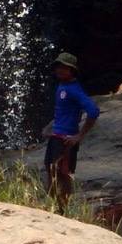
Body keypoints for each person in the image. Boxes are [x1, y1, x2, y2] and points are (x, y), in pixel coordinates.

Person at [45, 51, 99, 211]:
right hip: (57, 136)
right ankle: (56, 207)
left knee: (62, 173)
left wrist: (79, 136)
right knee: (51, 170)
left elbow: (93, 111)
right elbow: (63, 112)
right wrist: (51, 128)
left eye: (65, 68)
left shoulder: (74, 89)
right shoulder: (63, 86)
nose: (60, 70)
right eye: (58, 67)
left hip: (66, 140)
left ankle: (61, 209)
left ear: (72, 70)